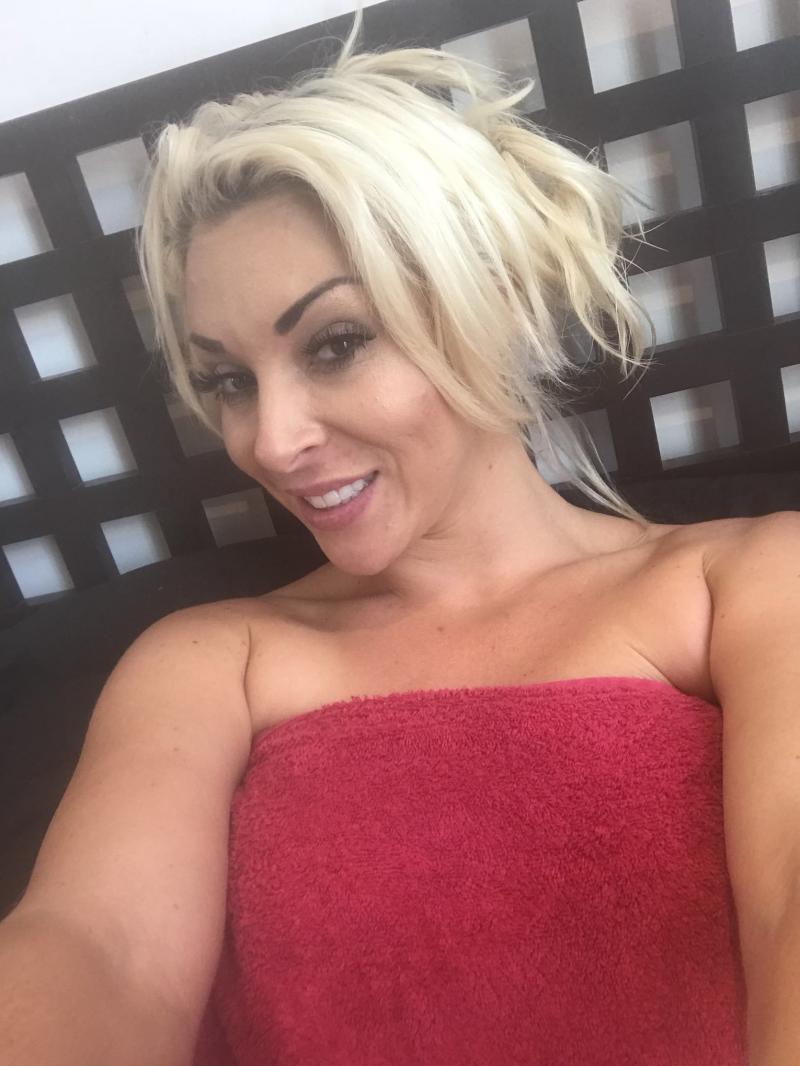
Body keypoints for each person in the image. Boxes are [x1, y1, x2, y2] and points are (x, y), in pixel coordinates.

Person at [2, 8, 799, 1065]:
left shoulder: (743, 579)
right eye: (228, 381)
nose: (269, 440)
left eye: (335, 343)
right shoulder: (208, 660)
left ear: (496, 306)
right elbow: (98, 950)